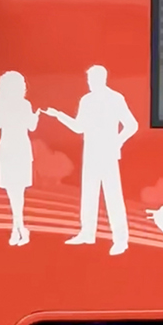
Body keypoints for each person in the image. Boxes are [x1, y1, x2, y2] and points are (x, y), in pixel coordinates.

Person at [45, 65, 138, 255]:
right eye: (88, 80)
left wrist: (118, 141)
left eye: (91, 80)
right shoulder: (86, 100)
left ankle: (120, 240)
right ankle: (87, 233)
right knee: (89, 193)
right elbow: (79, 127)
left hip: (108, 153)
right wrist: (58, 115)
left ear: (101, 79)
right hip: (91, 152)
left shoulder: (115, 98)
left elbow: (132, 125)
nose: (89, 83)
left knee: (113, 195)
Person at [0, 71, 40, 246]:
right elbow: (32, 126)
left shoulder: (0, 103)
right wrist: (36, 116)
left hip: (7, 149)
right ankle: (19, 228)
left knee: (14, 192)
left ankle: (17, 229)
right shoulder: (25, 104)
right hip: (20, 150)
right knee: (18, 192)